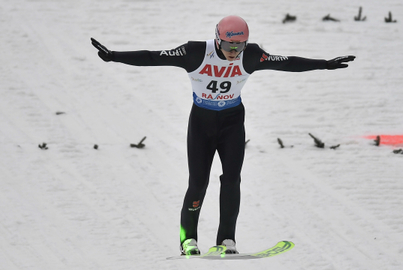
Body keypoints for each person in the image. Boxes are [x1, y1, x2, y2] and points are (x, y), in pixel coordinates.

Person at [91, 15, 355, 256]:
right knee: (198, 182)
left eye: (239, 46)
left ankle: (227, 240)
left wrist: (324, 65)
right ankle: (188, 240)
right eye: (229, 46)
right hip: (201, 123)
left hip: (231, 123)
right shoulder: (194, 52)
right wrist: (114, 55)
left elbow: (286, 63)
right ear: (217, 39)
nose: (233, 52)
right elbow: (152, 56)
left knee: (232, 180)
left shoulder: (251, 55)